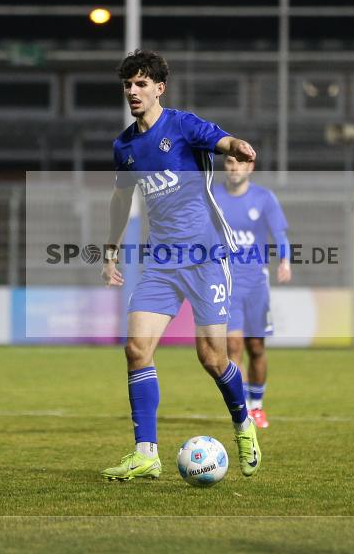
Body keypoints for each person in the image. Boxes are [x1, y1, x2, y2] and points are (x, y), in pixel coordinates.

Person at [99, 49, 262, 481]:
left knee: (211, 357)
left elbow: (221, 140)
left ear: (158, 88)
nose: (132, 92)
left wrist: (237, 145)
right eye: (127, 85)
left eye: (140, 84)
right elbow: (121, 198)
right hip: (162, 261)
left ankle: (243, 424)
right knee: (136, 348)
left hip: (207, 255)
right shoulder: (125, 146)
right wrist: (111, 247)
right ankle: (146, 453)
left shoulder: (183, 126)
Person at [212, 156, 292, 428]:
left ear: (250, 168)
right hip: (226, 283)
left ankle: (258, 407)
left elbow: (280, 234)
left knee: (256, 347)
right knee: (232, 347)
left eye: (240, 164)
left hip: (256, 284)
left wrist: (285, 261)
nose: (234, 168)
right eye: (230, 163)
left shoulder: (264, 198)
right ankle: (243, 409)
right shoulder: (213, 196)